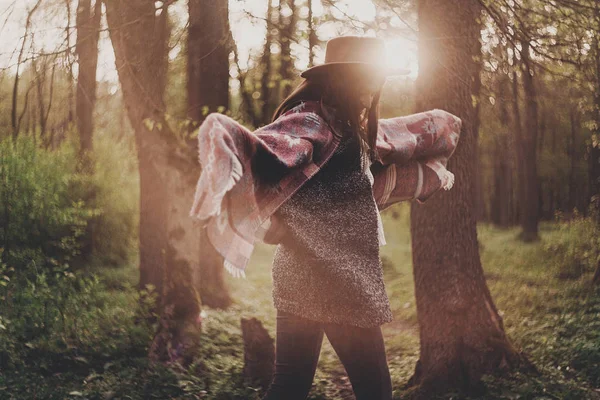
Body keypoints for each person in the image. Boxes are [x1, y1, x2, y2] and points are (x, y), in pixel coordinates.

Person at [189, 35, 461, 400]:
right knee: (375, 391)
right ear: (343, 78)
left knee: (290, 387)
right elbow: (270, 148)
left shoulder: (347, 128)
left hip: (304, 277)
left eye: (376, 80)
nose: (373, 88)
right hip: (340, 283)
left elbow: (367, 176)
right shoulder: (313, 120)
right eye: (367, 79)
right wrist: (227, 141)